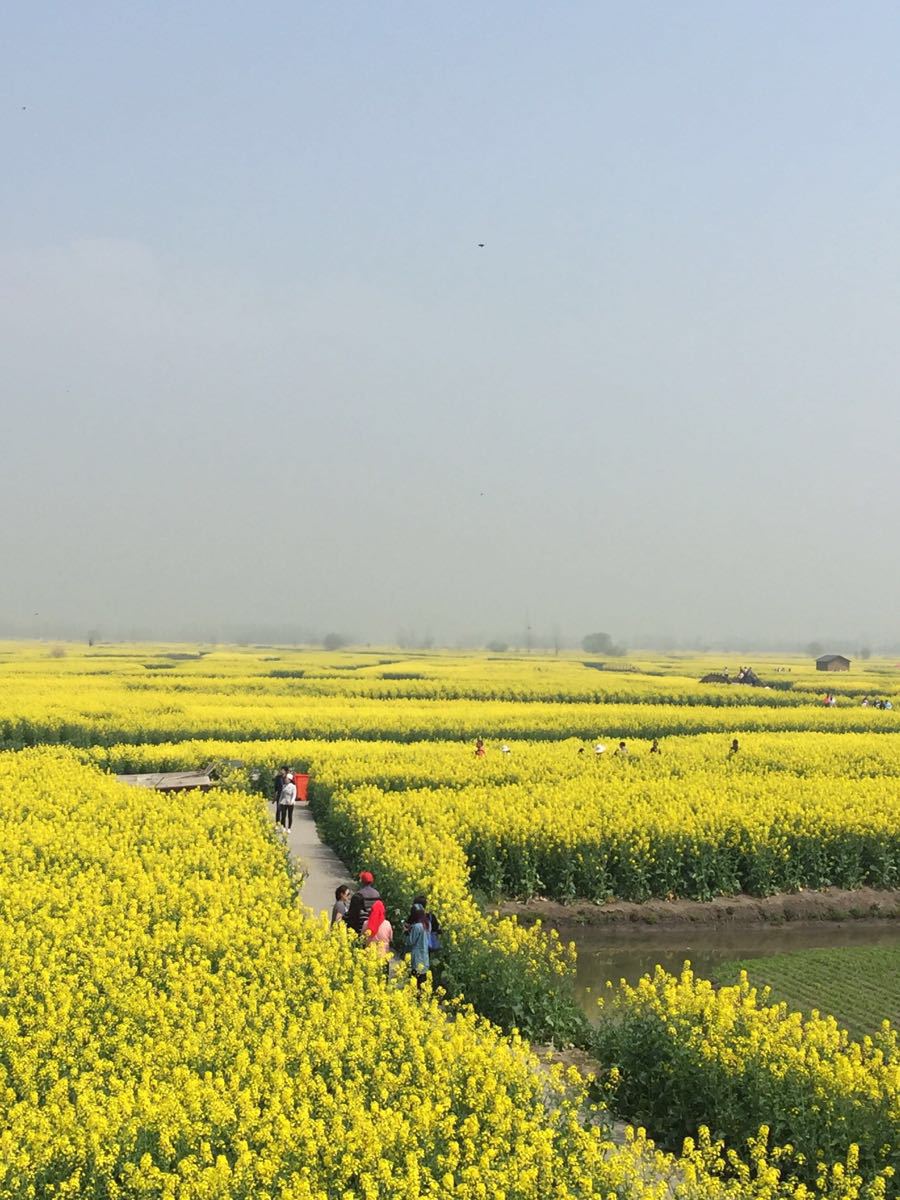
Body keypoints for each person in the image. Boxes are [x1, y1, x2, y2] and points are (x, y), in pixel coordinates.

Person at [407, 908, 430, 987]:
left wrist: (407, 932)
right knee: (423, 980)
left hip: (417, 956)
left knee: (415, 980)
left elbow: (410, 941)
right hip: (425, 956)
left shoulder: (417, 926)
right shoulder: (427, 924)